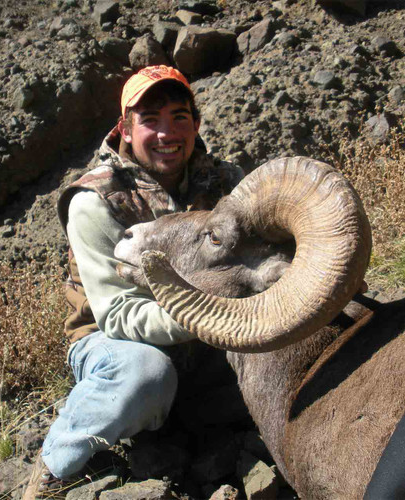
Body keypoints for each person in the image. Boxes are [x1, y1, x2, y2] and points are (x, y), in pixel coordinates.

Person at [23, 65, 244, 499]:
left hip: (211, 341)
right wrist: (221, 315)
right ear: (124, 128)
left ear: (196, 124)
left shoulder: (225, 182)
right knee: (146, 373)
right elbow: (119, 314)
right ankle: (56, 465)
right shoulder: (94, 201)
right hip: (117, 343)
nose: (167, 132)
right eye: (150, 119)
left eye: (180, 117)